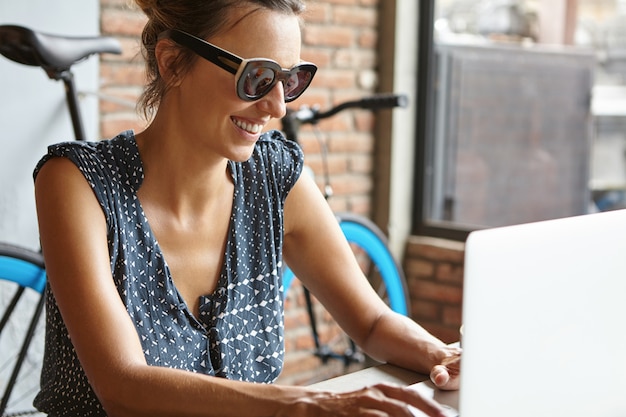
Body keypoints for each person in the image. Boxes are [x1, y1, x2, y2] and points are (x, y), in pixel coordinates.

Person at [33, 1, 461, 416]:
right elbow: (123, 387)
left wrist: (443, 357)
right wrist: (308, 404)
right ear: (172, 62)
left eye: (291, 80)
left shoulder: (274, 177)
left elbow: (370, 323)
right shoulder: (79, 183)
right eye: (256, 77)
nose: (278, 107)